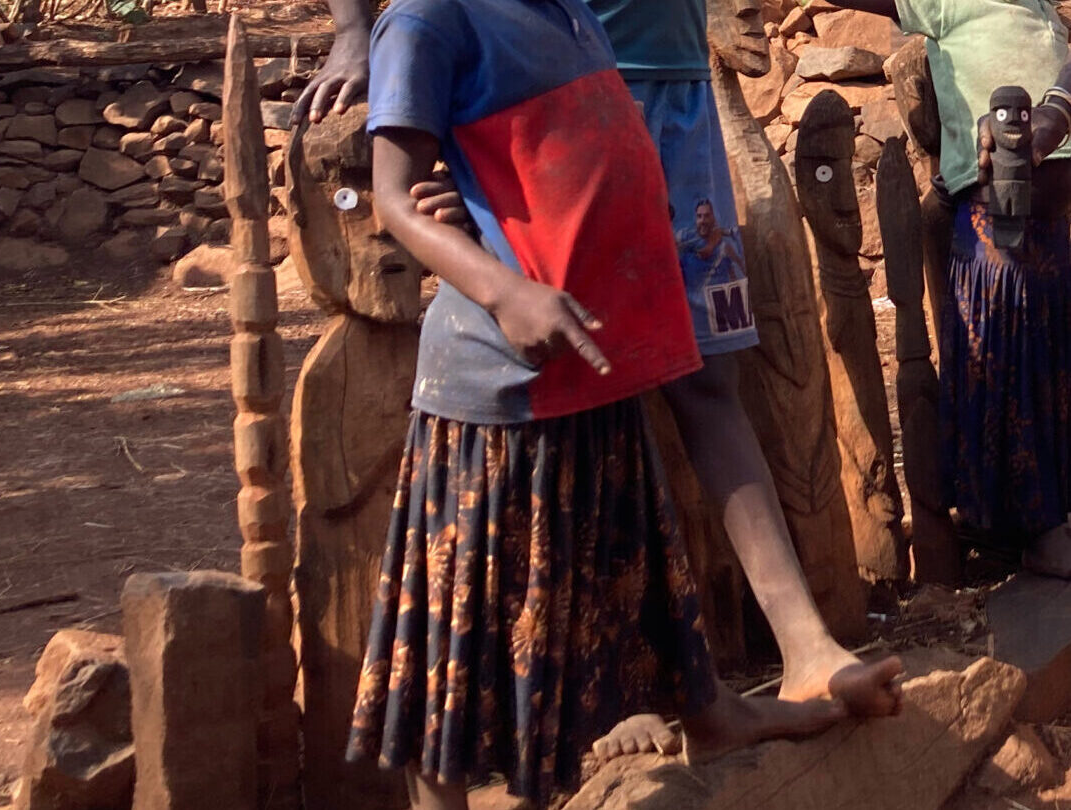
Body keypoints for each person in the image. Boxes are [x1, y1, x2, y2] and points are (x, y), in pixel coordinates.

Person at [294, 0, 906, 761]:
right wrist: (357, 35)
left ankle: (774, 658)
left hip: (650, 90)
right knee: (564, 434)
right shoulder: (443, 20)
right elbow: (404, 177)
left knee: (684, 388)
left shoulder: (568, 16)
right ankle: (614, 700)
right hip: (545, 115)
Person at [807, 0, 1071, 579]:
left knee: (1049, 372)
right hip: (996, 230)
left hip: (1052, 231)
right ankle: (1035, 531)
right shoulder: (947, 2)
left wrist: (1058, 106)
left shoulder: (1045, 11)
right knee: (1010, 366)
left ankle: (1048, 516)